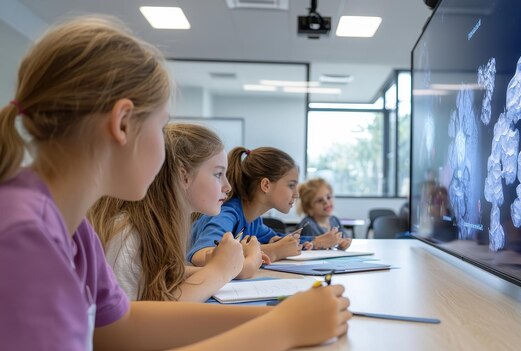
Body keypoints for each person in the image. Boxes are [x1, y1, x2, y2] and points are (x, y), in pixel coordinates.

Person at [0, 16, 350, 350]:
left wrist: (278, 317)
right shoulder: (23, 236)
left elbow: (119, 327)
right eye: (160, 125)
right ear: (123, 124)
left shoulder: (72, 227)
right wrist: (282, 330)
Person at [89, 123, 267, 302]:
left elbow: (166, 275)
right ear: (184, 176)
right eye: (218, 174)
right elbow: (141, 320)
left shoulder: (162, 226)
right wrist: (219, 271)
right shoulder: (127, 237)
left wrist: (222, 265)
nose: (227, 187)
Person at [188, 147, 342, 265]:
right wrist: (272, 251)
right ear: (266, 185)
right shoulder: (227, 214)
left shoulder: (253, 220)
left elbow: (281, 241)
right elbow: (199, 255)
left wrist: (317, 241)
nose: (296, 194)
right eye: (291, 185)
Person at [296, 178, 352, 250]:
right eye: (319, 200)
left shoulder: (335, 220)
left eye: (328, 197)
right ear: (309, 207)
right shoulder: (308, 225)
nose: (326, 202)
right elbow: (306, 250)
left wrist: (343, 243)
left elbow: (343, 239)